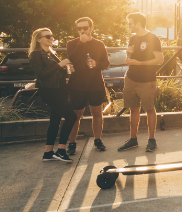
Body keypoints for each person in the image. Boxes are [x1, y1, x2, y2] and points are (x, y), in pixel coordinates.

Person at [29, 28, 77, 162]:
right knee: (71, 116)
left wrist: (67, 69)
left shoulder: (50, 53)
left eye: (52, 36)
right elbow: (41, 75)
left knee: (55, 121)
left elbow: (57, 73)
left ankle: (48, 153)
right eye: (47, 36)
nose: (51, 38)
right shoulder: (35, 54)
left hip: (58, 90)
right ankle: (61, 150)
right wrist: (59, 65)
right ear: (39, 39)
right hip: (49, 91)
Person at [118, 12, 163, 152]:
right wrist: (128, 55)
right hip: (131, 78)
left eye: (130, 23)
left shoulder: (153, 38)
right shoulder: (132, 38)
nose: (128, 26)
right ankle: (133, 139)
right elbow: (131, 57)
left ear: (138, 24)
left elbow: (159, 60)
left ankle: (151, 140)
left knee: (149, 109)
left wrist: (139, 63)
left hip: (147, 80)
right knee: (133, 109)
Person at [66, 17, 109, 154]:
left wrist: (97, 64)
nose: (82, 31)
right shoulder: (72, 43)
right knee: (75, 115)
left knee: (97, 112)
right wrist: (81, 43)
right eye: (79, 29)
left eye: (85, 28)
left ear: (91, 28)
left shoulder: (99, 44)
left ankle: (98, 140)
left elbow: (106, 63)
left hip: (96, 84)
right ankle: (72, 144)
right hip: (77, 85)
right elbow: (72, 59)